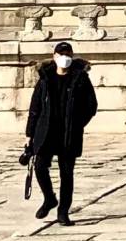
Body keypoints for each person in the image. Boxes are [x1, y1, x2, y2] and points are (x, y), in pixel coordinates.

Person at [21, 38, 98, 228]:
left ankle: (63, 212)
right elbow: (35, 107)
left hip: (68, 133)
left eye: (68, 55)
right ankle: (49, 198)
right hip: (46, 130)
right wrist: (29, 134)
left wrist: (78, 123)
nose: (64, 58)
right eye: (61, 55)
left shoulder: (80, 78)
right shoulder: (45, 78)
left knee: (67, 173)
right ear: (54, 57)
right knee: (40, 166)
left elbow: (91, 105)